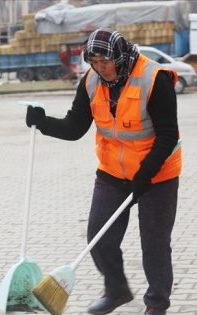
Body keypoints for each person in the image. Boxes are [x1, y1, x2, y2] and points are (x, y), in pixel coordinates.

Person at [25, 28, 182, 315]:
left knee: (154, 242)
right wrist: (42, 123)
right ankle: (116, 289)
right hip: (112, 171)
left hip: (156, 174)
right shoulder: (91, 82)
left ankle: (157, 303)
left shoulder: (153, 79)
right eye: (94, 63)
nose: (101, 69)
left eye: (105, 62)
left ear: (120, 57)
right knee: (98, 235)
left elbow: (168, 135)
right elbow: (74, 128)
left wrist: (145, 173)